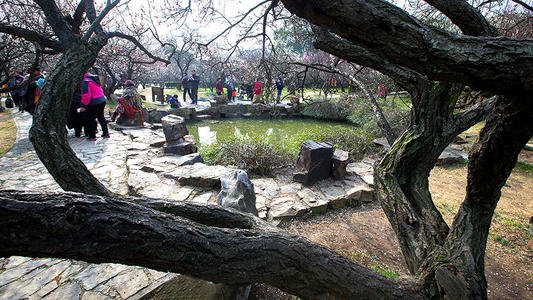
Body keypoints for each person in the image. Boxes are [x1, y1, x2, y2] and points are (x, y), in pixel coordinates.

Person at [79, 72, 109, 140]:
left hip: (94, 101)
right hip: (102, 100)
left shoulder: (85, 82)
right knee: (101, 116)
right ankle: (106, 133)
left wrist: (83, 106)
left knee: (90, 118)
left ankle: (92, 136)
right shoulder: (94, 80)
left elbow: (86, 95)